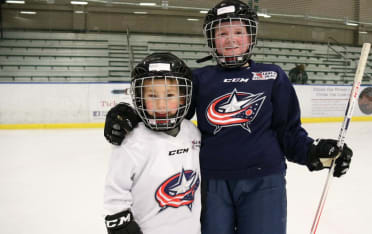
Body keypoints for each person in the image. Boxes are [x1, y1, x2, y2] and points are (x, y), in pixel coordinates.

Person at [103, 1, 353, 234]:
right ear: (212, 39)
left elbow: (289, 132)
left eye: (238, 32)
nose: (230, 39)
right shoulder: (199, 79)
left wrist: (314, 151)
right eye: (222, 33)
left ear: (250, 37)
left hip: (264, 180)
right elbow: (167, 111)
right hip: (213, 185)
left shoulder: (272, 76)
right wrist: (127, 114)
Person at [103, 53, 202, 234]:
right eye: (152, 95)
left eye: (170, 94)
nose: (161, 104)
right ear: (140, 99)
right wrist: (120, 222)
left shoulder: (193, 132)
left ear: (183, 97)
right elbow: (115, 191)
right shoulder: (131, 141)